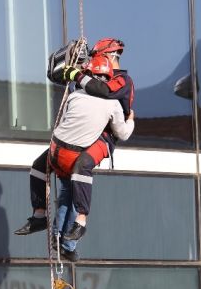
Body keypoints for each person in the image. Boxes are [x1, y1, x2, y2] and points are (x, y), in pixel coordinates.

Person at [14, 55, 135, 261]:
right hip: (74, 155)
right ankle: (73, 232)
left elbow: (68, 120)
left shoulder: (74, 95)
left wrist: (74, 71)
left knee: (39, 170)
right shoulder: (113, 104)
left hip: (55, 152)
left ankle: (41, 217)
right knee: (77, 185)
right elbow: (122, 133)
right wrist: (131, 120)